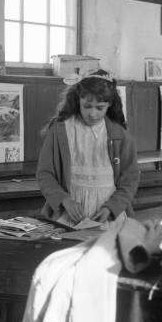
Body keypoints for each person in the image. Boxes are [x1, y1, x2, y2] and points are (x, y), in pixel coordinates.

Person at [37, 71, 140, 226]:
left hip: (109, 215)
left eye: (100, 108)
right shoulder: (60, 131)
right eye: (87, 106)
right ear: (78, 100)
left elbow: (130, 179)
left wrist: (111, 208)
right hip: (68, 213)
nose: (92, 114)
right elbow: (45, 174)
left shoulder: (120, 135)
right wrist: (64, 200)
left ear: (110, 104)